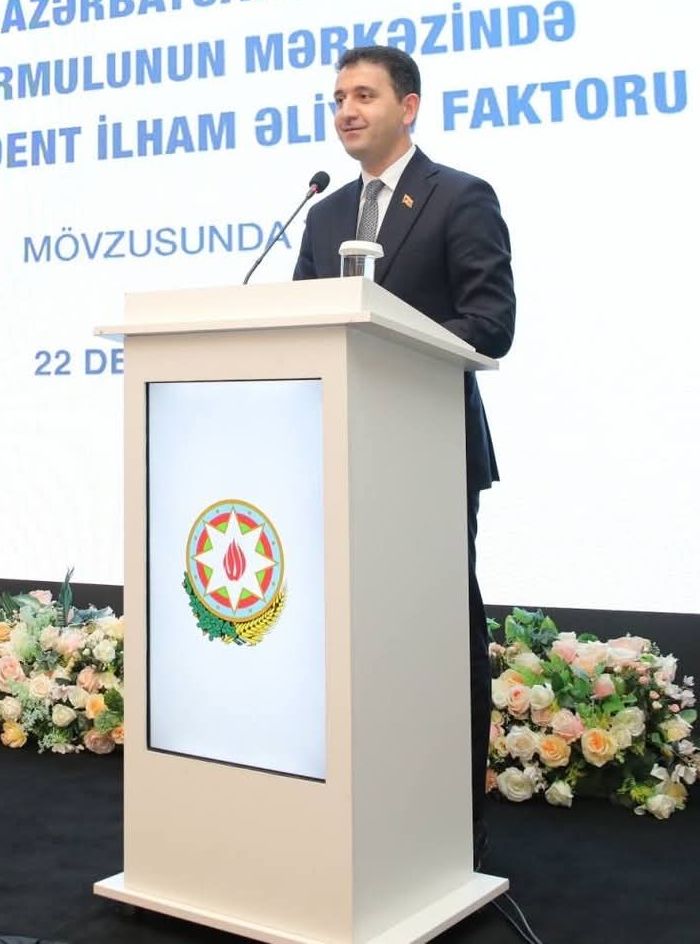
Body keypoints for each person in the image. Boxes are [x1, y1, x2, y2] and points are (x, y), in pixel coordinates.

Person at [292, 44, 515, 865]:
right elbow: (303, 327)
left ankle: (452, 820)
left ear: (408, 106)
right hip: (341, 458)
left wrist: (385, 341)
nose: (346, 111)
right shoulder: (324, 215)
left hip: (427, 452)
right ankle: (360, 807)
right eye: (337, 98)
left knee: (438, 631)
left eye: (364, 95)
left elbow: (490, 323)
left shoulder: (459, 197)